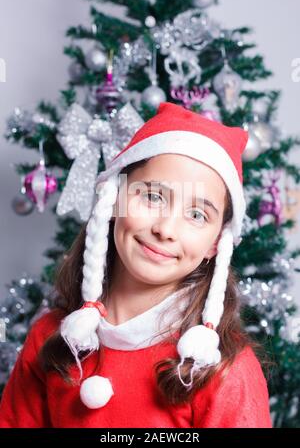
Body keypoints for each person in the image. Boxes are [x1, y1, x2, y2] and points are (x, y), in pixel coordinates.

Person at [0, 102, 272, 428]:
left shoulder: (226, 371)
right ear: (114, 197)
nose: (165, 229)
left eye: (197, 215)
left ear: (215, 244)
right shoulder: (50, 337)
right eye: (153, 196)